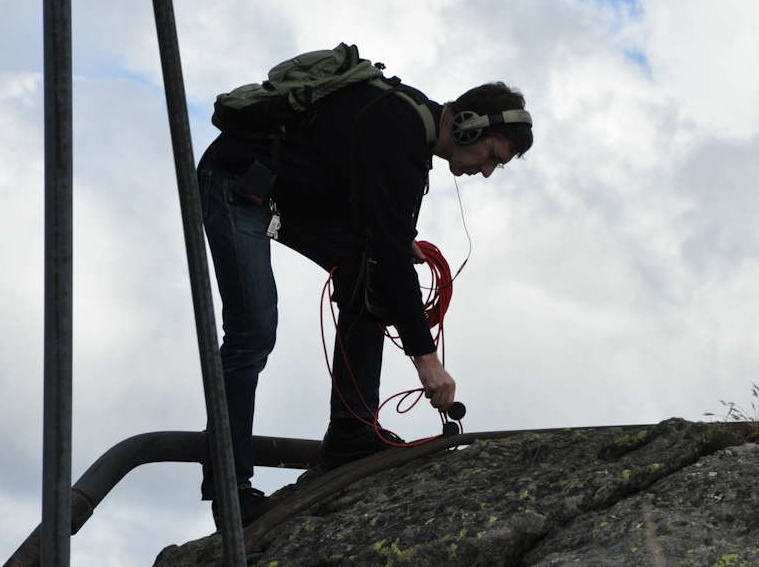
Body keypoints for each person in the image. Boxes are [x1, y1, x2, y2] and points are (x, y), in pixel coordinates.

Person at [196, 73, 533, 527]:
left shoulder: (407, 132)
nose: (487, 170)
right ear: (468, 126)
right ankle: (229, 490)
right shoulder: (399, 129)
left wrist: (392, 241)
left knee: (368, 275)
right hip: (237, 186)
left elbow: (382, 237)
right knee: (253, 331)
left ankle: (351, 437)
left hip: (283, 196)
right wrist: (426, 360)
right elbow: (390, 256)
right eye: (491, 155)